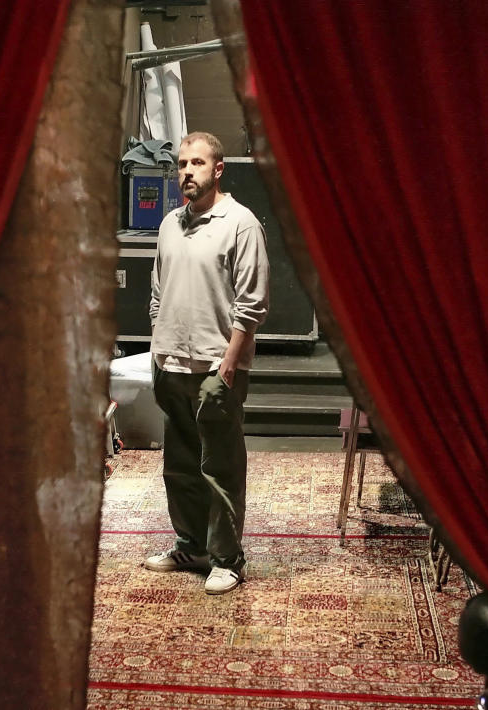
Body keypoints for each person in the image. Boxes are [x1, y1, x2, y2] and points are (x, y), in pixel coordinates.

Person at [145, 131, 270, 594]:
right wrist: (159, 349)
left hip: (217, 368)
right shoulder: (169, 225)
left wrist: (229, 367)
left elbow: (252, 304)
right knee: (179, 464)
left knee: (219, 467)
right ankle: (190, 544)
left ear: (218, 169)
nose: (186, 173)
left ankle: (226, 558)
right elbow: (157, 295)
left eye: (196, 164)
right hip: (171, 365)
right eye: (181, 164)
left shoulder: (239, 223)